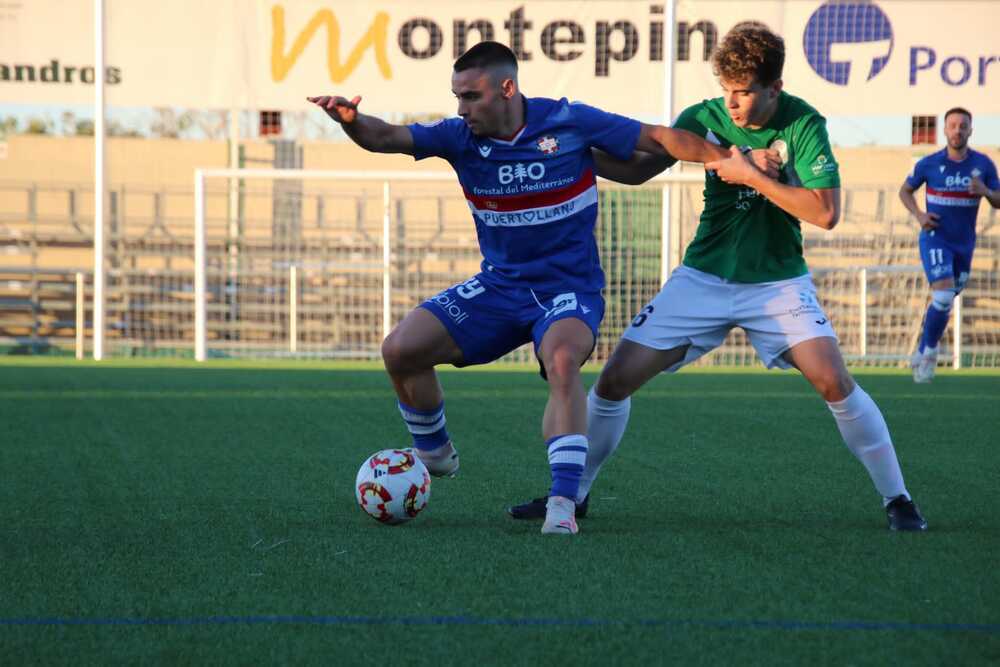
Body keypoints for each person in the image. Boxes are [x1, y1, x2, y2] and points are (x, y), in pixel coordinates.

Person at [309, 41, 752, 535]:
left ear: (507, 88)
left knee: (562, 362)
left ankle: (563, 502)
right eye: (457, 97)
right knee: (400, 350)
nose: (462, 108)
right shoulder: (458, 137)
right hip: (499, 288)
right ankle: (434, 454)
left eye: (471, 96)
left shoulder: (569, 121)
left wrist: (730, 161)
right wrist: (350, 121)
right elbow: (386, 136)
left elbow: (660, 138)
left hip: (569, 291)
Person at [508, 23, 929, 531]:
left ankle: (898, 498)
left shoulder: (803, 123)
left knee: (833, 379)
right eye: (726, 90)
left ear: (774, 88)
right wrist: (571, 156)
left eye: (745, 92)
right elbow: (640, 168)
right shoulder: (703, 118)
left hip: (777, 284)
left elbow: (824, 213)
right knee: (615, 381)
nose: (731, 104)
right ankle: (573, 496)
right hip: (701, 279)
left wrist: (751, 174)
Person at [899, 108, 1000, 383]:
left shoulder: (984, 165)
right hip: (936, 237)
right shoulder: (929, 163)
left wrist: (987, 192)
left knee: (945, 302)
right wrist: (919, 215)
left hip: (964, 244)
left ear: (970, 130)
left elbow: (998, 199)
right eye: (952, 125)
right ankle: (930, 354)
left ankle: (922, 350)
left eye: (962, 126)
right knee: (943, 298)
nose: (957, 130)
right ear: (945, 130)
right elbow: (905, 190)